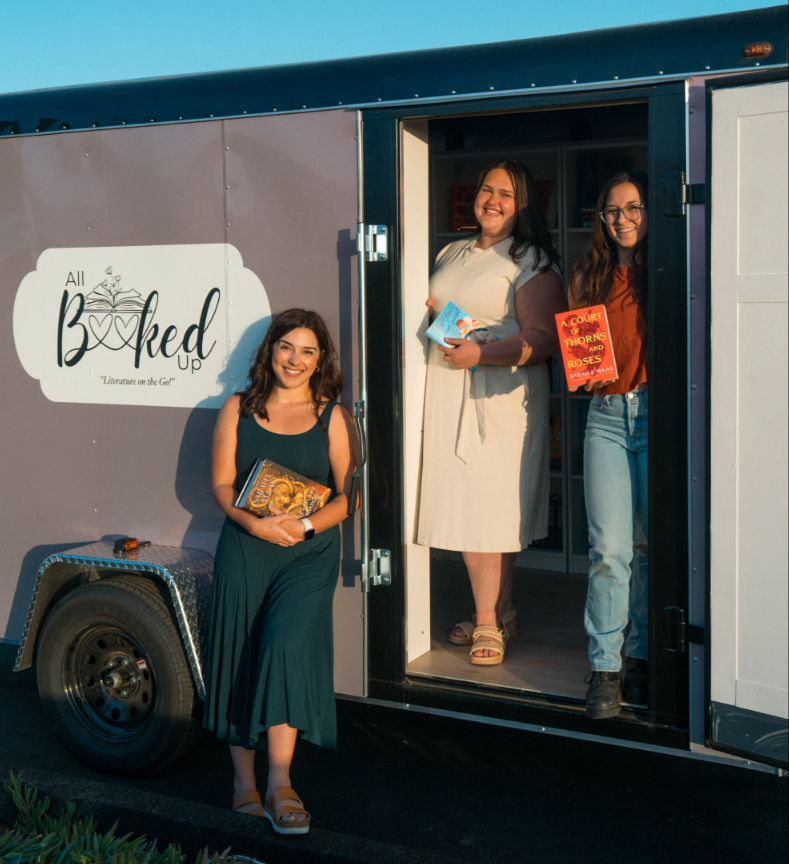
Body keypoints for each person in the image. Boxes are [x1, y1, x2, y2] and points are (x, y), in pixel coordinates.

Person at [203, 308, 357, 833]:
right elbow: (222, 486)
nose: (295, 359)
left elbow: (348, 497)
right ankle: (243, 782)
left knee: (285, 647)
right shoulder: (237, 409)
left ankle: (280, 781)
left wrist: (306, 529)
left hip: (309, 554)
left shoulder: (332, 415)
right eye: (287, 346)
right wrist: (255, 524)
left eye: (308, 351)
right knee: (241, 653)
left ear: (320, 361)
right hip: (247, 547)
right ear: (271, 351)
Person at [417, 160, 566, 665]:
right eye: (486, 189)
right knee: (479, 508)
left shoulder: (532, 260)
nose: (493, 200)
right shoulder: (452, 250)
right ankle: (501, 612)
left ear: (523, 204)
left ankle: (485, 621)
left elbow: (544, 338)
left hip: (501, 400)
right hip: (449, 390)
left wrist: (482, 354)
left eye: (506, 193)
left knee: (486, 510)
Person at [568, 170, 649, 719]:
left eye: (634, 208)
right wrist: (583, 371)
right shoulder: (588, 273)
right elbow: (582, 364)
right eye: (613, 210)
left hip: (660, 415)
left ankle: (640, 657)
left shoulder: (670, 265)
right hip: (605, 417)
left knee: (647, 548)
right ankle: (606, 667)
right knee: (610, 550)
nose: (623, 219)